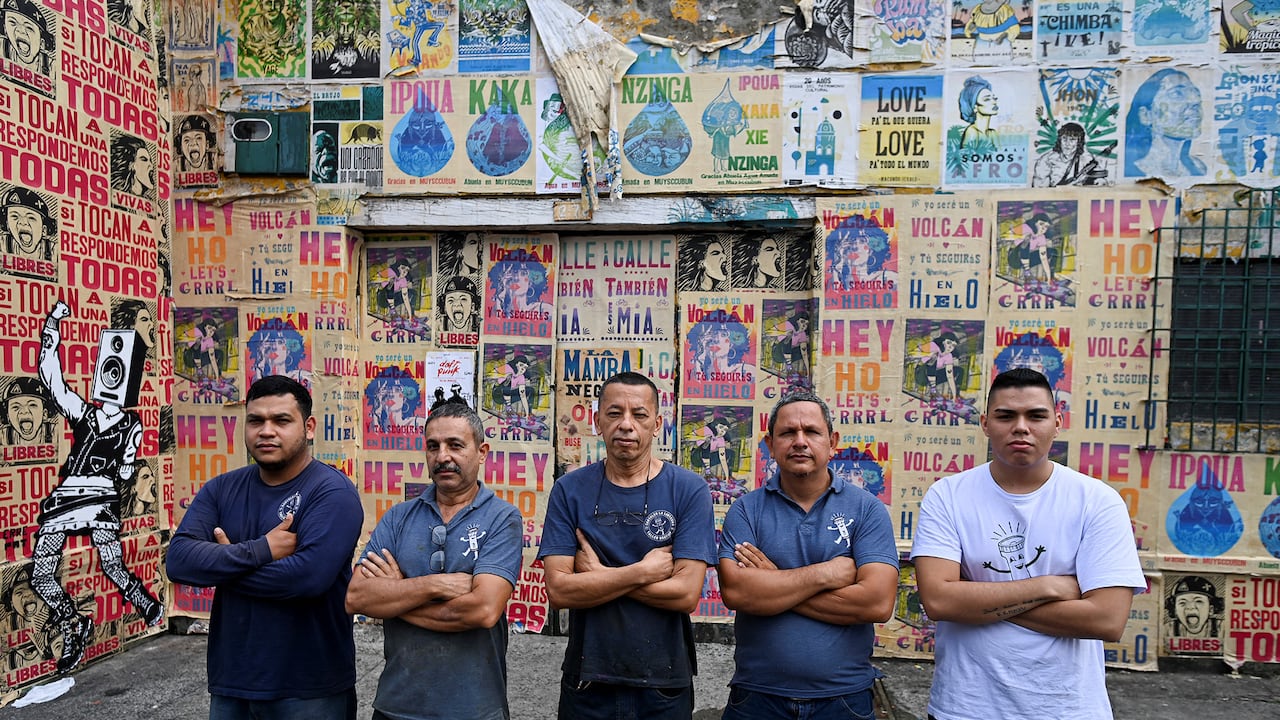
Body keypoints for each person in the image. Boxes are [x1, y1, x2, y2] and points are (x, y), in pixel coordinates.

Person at [911, 368, 1145, 720]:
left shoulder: (1097, 501)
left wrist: (977, 600)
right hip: (966, 707)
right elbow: (939, 601)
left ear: (1057, 422)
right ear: (985, 423)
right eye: (1006, 416)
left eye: (1036, 415)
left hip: (1067, 708)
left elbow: (1106, 620)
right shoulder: (947, 496)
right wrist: (1050, 586)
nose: (1021, 427)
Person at [166, 375, 363, 720]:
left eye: (282, 420)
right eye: (256, 420)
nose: (266, 431)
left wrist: (222, 566)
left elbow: (306, 579)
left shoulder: (332, 493)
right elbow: (180, 561)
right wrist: (261, 550)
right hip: (232, 683)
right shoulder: (221, 490)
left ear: (309, 426)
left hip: (309, 688)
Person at [538, 372, 715, 720]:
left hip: (664, 683)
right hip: (587, 683)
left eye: (639, 414)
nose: (626, 425)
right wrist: (643, 572)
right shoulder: (570, 490)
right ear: (597, 421)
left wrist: (600, 576)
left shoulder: (688, 490)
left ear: (657, 424)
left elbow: (685, 593)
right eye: (614, 413)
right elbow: (559, 591)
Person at [716, 392, 898, 719]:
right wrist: (824, 574)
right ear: (770, 445)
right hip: (758, 697)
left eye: (811, 432)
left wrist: (772, 581)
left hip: (844, 699)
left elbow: (876, 603)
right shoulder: (745, 510)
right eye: (788, 433)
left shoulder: (867, 510)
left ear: (833, 443)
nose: (800, 441)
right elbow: (737, 592)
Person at [346, 402, 522, 720]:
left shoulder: (502, 518)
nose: (442, 457)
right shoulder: (399, 517)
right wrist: (434, 584)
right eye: (433, 446)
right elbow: (356, 597)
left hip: (474, 708)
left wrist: (397, 595)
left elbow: (482, 610)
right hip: (395, 706)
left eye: (455, 445)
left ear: (482, 452)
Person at [33, 302, 164, 673]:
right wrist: (53, 326)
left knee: (98, 563)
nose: (109, 376)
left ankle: (124, 607)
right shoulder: (99, 417)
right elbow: (52, 379)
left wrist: (125, 461)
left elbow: (124, 476)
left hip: (88, 496)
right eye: (107, 369)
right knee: (59, 569)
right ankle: (92, 617)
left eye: (114, 371)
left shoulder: (112, 421)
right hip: (80, 496)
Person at [1124, 69, 1206, 178]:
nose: (1195, 101)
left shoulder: (1199, 168)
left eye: (1195, 93)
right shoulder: (1132, 171)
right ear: (1146, 116)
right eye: (1176, 94)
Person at [1032, 122, 1106, 187]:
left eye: (1072, 139)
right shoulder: (1046, 160)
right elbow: (1040, 189)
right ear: (1059, 140)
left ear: (1079, 142)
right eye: (1064, 138)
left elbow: (1097, 179)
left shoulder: (1087, 159)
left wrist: (1099, 181)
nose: (1067, 143)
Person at [0, 0, 55, 79]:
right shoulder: (2, 48)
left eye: (29, 28)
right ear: (5, 29)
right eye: (12, 22)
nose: (20, 31)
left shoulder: (52, 67)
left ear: (42, 42)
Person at [1, 185, 56, 261]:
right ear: (7, 225)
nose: (23, 222)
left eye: (31, 218)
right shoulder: (3, 245)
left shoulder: (54, 251)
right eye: (15, 216)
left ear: (44, 230)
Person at [1165, 575, 1222, 640]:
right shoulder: (1168, 630)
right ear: (1175, 610)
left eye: (1198, 601)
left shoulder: (1222, 628)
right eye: (1182, 602)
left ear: (1211, 609)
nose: (1190, 607)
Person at [3, 376, 54, 445]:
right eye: (16, 407)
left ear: (44, 414)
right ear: (8, 417)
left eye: (32, 405)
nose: (24, 411)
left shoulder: (54, 432)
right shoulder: (3, 437)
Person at [957, 76, 1000, 151]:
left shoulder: (993, 133)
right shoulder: (972, 132)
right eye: (986, 99)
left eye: (994, 98)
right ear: (974, 107)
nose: (994, 102)